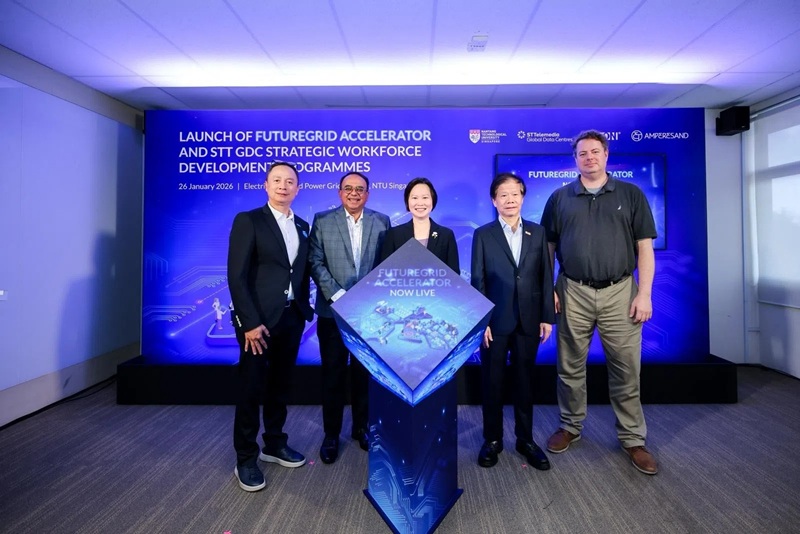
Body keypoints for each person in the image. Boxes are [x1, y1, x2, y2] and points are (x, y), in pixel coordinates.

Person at [540, 129, 658, 475]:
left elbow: (645, 248)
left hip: (620, 292)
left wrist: (644, 293)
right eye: (582, 153)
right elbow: (547, 249)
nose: (589, 158)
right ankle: (570, 426)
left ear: (606, 155)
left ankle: (633, 438)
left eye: (595, 152)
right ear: (575, 159)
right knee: (569, 366)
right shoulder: (559, 198)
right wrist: (548, 289)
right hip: (572, 290)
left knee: (626, 368)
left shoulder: (631, 194)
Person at [227, 161, 314, 492]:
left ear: (297, 188)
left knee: (280, 386)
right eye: (277, 180)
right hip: (257, 323)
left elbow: (299, 272)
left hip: (291, 318)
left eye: (290, 181)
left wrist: (304, 309)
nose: (283, 186)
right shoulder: (249, 220)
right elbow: (236, 275)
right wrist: (249, 322)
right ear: (266, 185)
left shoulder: (302, 225)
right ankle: (246, 458)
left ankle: (274, 443)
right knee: (251, 388)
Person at [471, 173, 555, 470]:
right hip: (495, 323)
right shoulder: (484, 234)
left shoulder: (538, 232)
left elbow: (545, 276)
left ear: (522, 197)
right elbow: (478, 280)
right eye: (503, 195)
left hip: (529, 320)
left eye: (515, 194)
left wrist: (547, 316)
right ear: (494, 200)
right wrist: (482, 322)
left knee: (525, 383)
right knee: (492, 383)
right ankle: (492, 440)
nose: (510, 200)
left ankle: (525, 440)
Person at [309, 172, 391, 464]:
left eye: (360, 189)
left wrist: (367, 299)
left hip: (368, 315)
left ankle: (362, 428)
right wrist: (339, 295)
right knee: (332, 375)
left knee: (364, 375)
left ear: (367, 193)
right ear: (339, 192)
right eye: (348, 188)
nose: (354, 193)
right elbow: (315, 262)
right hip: (332, 312)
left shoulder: (382, 221)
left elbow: (386, 265)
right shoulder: (322, 220)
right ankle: (331, 434)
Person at [379, 177, 459, 273]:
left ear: (432, 200)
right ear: (407, 201)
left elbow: (454, 274)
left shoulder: (446, 235)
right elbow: (384, 272)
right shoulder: (394, 234)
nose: (420, 203)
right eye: (414, 198)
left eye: (425, 197)